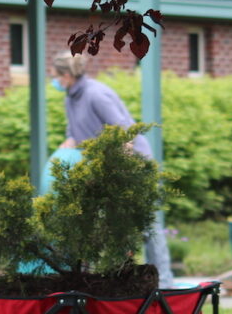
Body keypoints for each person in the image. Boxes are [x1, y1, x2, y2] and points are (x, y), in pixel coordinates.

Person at [50, 51, 174, 288]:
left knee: (146, 226)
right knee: (89, 224)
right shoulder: (70, 98)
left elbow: (125, 133)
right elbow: (75, 134)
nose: (54, 80)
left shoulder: (97, 94)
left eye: (55, 75)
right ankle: (85, 282)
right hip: (101, 170)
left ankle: (165, 285)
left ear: (67, 75)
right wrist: (69, 143)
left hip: (132, 167)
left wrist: (121, 172)